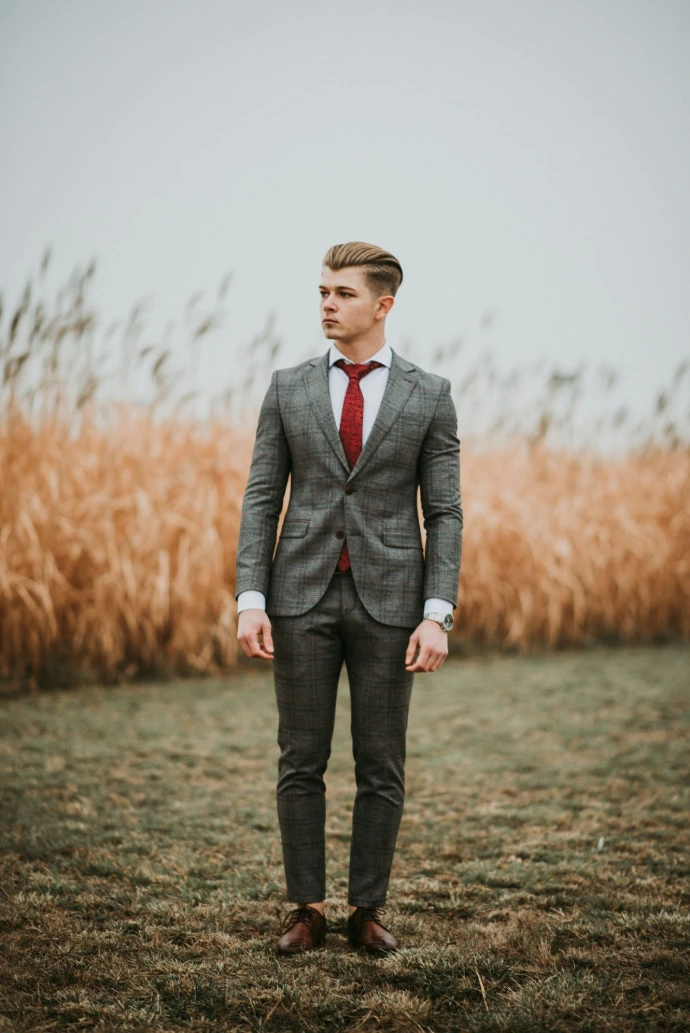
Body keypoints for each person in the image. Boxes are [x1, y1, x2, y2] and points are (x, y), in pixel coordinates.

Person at [235, 241, 462, 955]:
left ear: (383, 304)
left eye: (342, 293)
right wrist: (250, 595)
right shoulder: (288, 386)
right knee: (300, 758)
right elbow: (262, 497)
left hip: (392, 606)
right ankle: (307, 908)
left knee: (381, 761)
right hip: (299, 599)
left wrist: (437, 612)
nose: (327, 304)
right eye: (322, 292)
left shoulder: (430, 394)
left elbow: (446, 512)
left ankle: (367, 908)